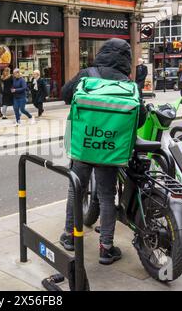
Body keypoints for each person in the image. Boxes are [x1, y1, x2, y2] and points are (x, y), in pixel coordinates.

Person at [59, 38, 147, 265]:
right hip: (110, 149)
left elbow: (65, 95)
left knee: (75, 191)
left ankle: (69, 236)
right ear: (126, 59)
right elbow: (140, 118)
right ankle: (106, 248)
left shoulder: (87, 74)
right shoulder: (130, 85)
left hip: (83, 146)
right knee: (107, 197)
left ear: (103, 52)